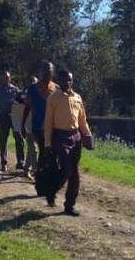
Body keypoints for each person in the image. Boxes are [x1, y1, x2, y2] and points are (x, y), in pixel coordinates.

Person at [44, 69, 91, 216]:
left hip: (75, 136)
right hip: (60, 136)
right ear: (60, 80)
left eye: (70, 80)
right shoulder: (53, 98)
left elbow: (82, 120)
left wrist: (87, 135)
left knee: (75, 172)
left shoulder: (77, 97)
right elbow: (48, 123)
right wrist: (47, 143)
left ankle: (69, 205)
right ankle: (51, 190)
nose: (68, 82)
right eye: (65, 80)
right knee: (66, 168)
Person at [22, 61, 58, 155]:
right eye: (45, 69)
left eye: (49, 69)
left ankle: (49, 169)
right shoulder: (33, 88)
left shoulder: (57, 89)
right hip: (38, 126)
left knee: (53, 152)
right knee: (43, 151)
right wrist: (23, 124)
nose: (47, 71)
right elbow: (27, 107)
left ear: (53, 72)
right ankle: (41, 169)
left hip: (54, 126)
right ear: (41, 71)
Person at [0, 70, 25, 173]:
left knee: (19, 138)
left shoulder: (15, 89)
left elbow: (22, 99)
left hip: (15, 117)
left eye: (7, 77)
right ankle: (4, 163)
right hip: (3, 116)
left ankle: (20, 162)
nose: (5, 79)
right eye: (4, 77)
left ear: (10, 78)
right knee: (3, 140)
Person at [19, 76, 39, 179]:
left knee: (31, 149)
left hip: (37, 125)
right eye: (31, 83)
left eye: (34, 83)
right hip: (28, 125)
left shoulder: (40, 93)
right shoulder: (25, 94)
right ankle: (36, 172)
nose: (33, 85)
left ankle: (26, 169)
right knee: (33, 149)